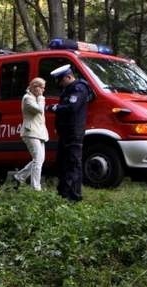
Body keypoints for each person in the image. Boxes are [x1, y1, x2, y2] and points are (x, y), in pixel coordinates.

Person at [47, 64, 92, 202]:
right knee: (62, 163)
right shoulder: (69, 89)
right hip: (66, 132)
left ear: (69, 76)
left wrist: (55, 108)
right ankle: (63, 193)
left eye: (61, 80)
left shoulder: (78, 88)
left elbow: (72, 107)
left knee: (73, 163)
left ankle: (74, 195)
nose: (60, 84)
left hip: (73, 132)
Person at [13, 77, 48, 191]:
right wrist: (41, 98)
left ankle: (19, 176)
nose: (43, 90)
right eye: (41, 88)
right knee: (38, 159)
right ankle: (36, 188)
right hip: (30, 132)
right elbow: (39, 109)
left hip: (39, 132)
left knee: (40, 159)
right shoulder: (28, 98)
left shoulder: (35, 97)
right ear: (35, 87)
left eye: (43, 88)